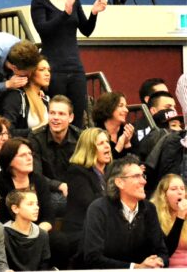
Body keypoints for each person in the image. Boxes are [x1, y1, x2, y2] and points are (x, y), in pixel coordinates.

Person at [31, 0, 107, 128]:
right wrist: (65, 13)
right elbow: (43, 29)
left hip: (75, 67)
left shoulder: (73, 0)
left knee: (78, 116)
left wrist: (94, 13)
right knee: (57, 114)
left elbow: (86, 30)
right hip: (53, 67)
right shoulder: (40, 0)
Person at [81, 155, 168, 269]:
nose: (144, 181)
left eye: (143, 176)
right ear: (120, 182)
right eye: (136, 176)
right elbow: (93, 258)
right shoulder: (98, 209)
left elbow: (162, 252)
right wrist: (135, 267)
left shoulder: (149, 208)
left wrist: (157, 261)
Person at [55, 127, 112, 268]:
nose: (107, 146)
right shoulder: (77, 172)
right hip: (81, 232)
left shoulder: (111, 173)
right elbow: (92, 204)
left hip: (104, 230)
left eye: (107, 142)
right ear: (89, 148)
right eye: (101, 143)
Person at [28, 94, 80, 211]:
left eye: (61, 114)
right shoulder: (36, 137)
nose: (55, 117)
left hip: (75, 189)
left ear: (71, 117)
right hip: (47, 191)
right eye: (52, 113)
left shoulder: (80, 137)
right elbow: (35, 175)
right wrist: (59, 185)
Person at [0, 138, 54, 230]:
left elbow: (48, 217)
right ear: (9, 160)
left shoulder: (39, 180)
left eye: (30, 154)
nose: (29, 158)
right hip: (8, 233)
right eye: (23, 155)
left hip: (38, 231)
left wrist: (37, 233)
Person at [2, 189, 51, 271]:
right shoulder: (3, 233)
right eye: (30, 204)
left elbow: (43, 266)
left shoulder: (42, 234)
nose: (37, 208)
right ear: (15, 209)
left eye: (37, 204)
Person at [1, 57, 50, 137]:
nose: (47, 73)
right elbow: (8, 132)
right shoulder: (15, 97)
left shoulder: (45, 99)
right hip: (22, 144)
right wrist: (38, 129)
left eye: (48, 70)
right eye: (42, 70)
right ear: (29, 73)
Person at [151, 174, 187, 267]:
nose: (180, 192)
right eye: (174, 189)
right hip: (169, 267)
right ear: (163, 195)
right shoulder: (153, 215)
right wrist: (180, 218)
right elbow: (166, 251)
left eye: (182, 189)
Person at [93, 91, 133, 158]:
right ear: (108, 108)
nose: (126, 110)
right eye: (121, 106)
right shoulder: (95, 134)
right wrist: (118, 147)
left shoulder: (127, 132)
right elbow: (102, 162)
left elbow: (136, 161)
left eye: (126, 106)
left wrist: (127, 144)